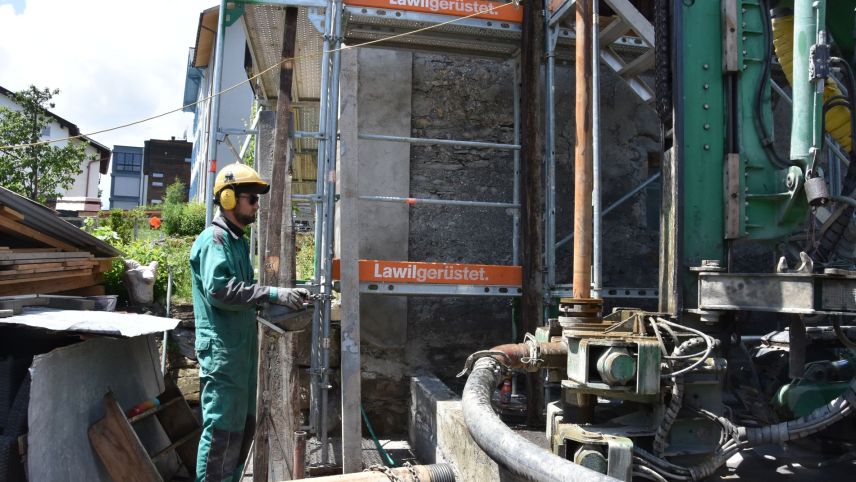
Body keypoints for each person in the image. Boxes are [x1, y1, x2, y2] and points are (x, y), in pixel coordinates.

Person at [190, 163, 309, 481]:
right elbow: (219, 290)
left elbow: (242, 296)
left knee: (240, 432)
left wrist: (275, 304)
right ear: (228, 199)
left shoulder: (237, 241)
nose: (257, 205)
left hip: (239, 354)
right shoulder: (215, 240)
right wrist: (272, 294)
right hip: (223, 355)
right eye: (252, 199)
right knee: (221, 435)